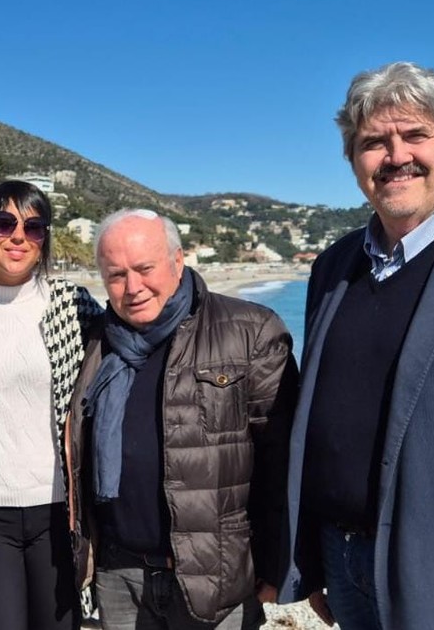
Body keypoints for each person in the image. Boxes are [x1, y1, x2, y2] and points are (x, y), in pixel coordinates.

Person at [278, 61, 434, 629]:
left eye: (416, 135)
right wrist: (312, 560)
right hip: (343, 561)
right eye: (374, 142)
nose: (396, 157)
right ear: (353, 160)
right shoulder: (333, 267)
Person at [66, 209, 298, 629]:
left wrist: (277, 562)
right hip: (119, 575)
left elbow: (282, 459)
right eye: (116, 275)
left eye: (145, 269)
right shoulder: (96, 341)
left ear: (177, 260)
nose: (133, 287)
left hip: (216, 577)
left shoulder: (250, 330)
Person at [0, 181, 102, 629]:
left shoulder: (73, 305)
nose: (18, 237)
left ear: (45, 238)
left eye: (34, 227)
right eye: (5, 223)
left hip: (59, 513)